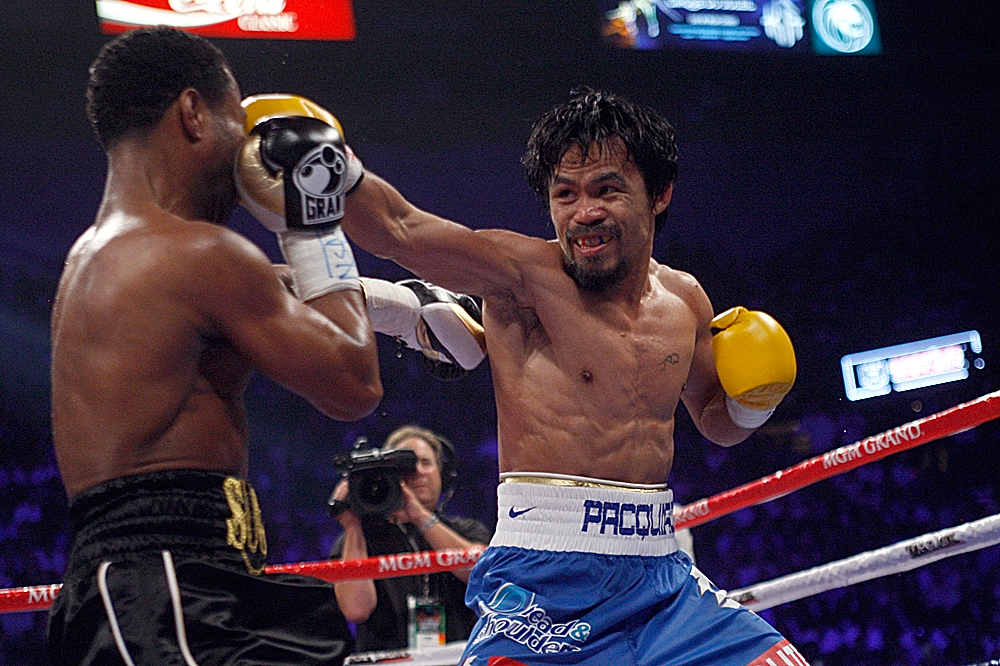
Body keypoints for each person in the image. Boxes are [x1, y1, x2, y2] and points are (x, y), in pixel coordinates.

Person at [238, 89, 804, 665]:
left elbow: (716, 424)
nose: (584, 212)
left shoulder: (686, 299)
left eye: (606, 190)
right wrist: (337, 169)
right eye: (565, 194)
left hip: (662, 581)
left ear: (659, 194)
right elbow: (399, 229)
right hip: (543, 577)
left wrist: (753, 402)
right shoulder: (522, 278)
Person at [47, 27, 384, 666]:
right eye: (239, 122)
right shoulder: (199, 254)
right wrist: (312, 221)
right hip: (167, 591)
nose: (246, 152)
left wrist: (405, 310)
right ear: (194, 113)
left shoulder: (101, 255)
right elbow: (354, 382)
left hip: (168, 582)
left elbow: (279, 296)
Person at [328, 425, 493, 653]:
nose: (418, 472)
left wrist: (419, 516)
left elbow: (484, 577)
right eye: (408, 466)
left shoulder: (466, 530)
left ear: (442, 474)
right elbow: (357, 610)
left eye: (426, 463)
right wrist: (353, 527)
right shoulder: (357, 542)